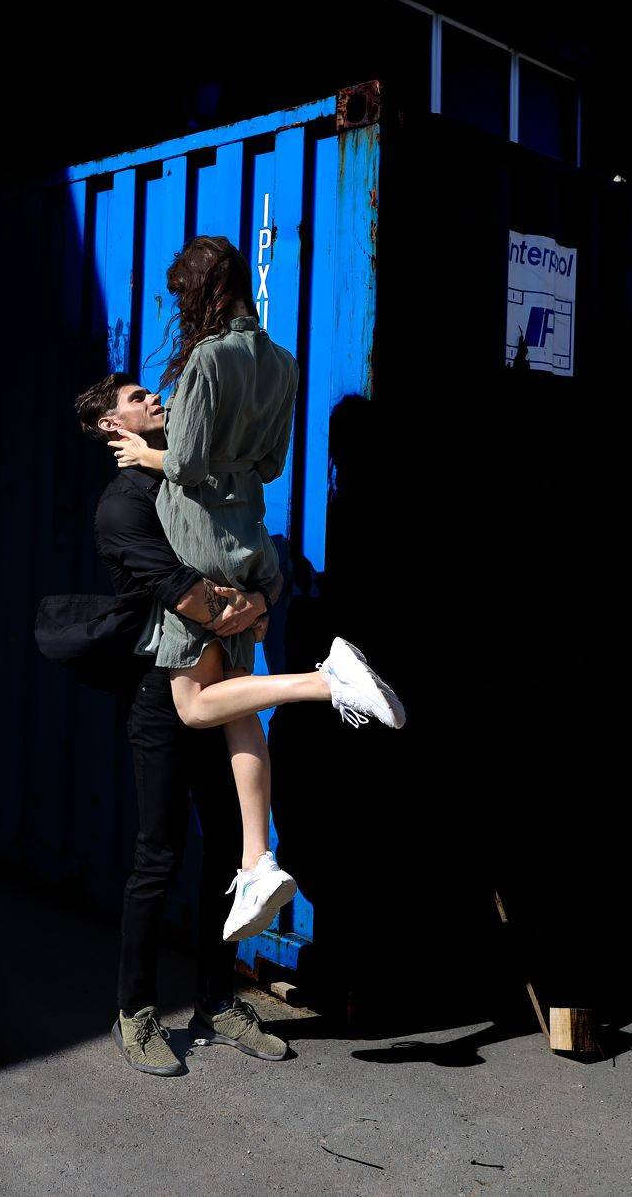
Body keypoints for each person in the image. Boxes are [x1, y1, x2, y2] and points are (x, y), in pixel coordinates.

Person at [106, 235, 407, 948]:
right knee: (236, 704)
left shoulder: (207, 360)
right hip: (246, 536)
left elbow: (184, 463)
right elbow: (269, 464)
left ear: (201, 292)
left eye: (182, 295)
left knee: (192, 704)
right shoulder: (283, 362)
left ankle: (325, 682)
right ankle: (255, 861)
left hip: (197, 539)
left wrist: (146, 453)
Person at [67, 371, 291, 1075]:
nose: (155, 400)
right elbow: (182, 591)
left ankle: (217, 1001)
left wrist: (260, 595)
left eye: (151, 393)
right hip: (159, 695)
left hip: (216, 681)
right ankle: (133, 1012)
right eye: (137, 399)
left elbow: (254, 554)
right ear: (112, 427)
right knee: (158, 854)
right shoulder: (123, 505)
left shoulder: (194, 483)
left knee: (227, 843)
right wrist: (246, 606)